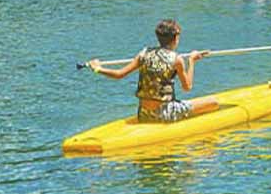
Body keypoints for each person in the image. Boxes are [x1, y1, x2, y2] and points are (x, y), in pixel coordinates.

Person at [85, 19, 219, 123]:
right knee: (213, 102)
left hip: (143, 114)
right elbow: (187, 87)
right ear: (176, 38)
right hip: (165, 114)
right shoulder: (176, 59)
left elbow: (119, 74)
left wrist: (98, 68)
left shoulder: (144, 53)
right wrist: (191, 60)